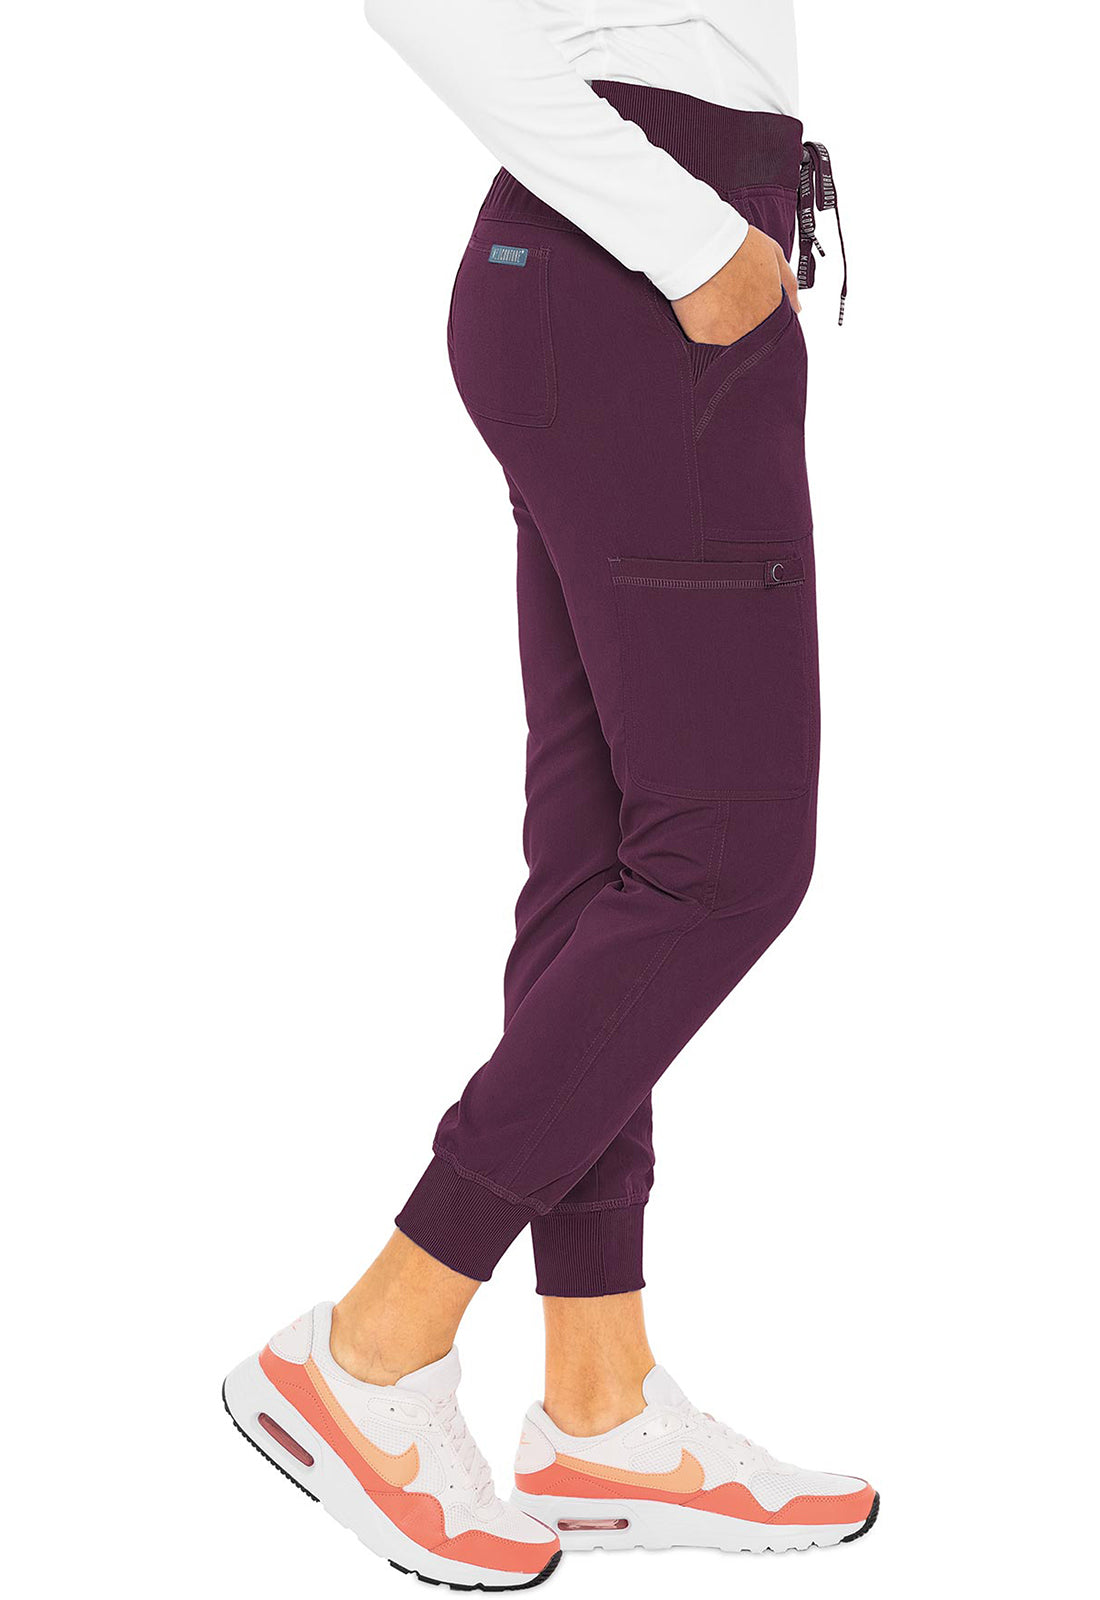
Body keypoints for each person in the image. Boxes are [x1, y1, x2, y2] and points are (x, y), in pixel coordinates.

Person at [223, 2, 873, 1589]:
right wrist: (697, 242)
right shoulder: (673, 235)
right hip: (645, 259)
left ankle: (599, 1404)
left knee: (610, 865)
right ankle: (374, 1344)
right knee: (729, 859)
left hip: (608, 269)